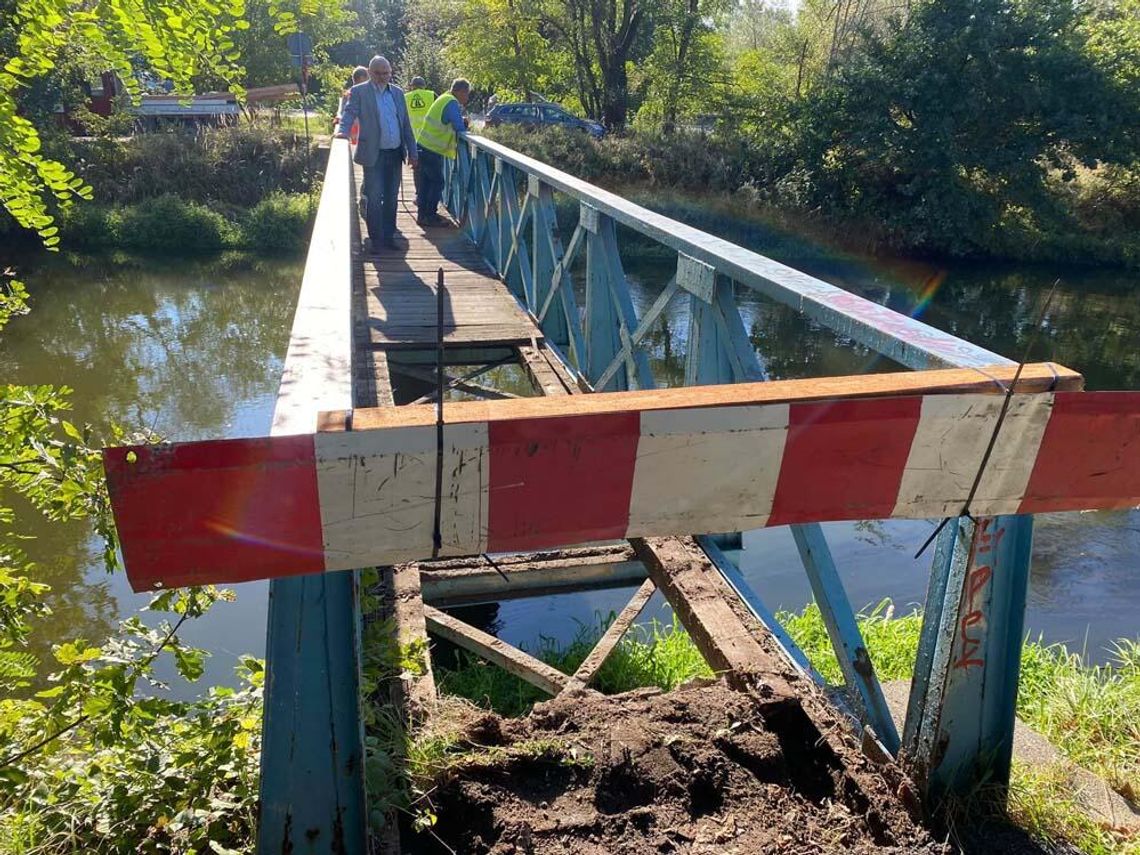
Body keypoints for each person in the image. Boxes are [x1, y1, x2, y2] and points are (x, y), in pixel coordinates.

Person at [334, 56, 418, 250]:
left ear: (390, 72)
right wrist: (342, 132)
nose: (383, 77)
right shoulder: (359, 92)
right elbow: (349, 113)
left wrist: (413, 152)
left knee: (391, 197)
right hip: (374, 154)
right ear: (370, 73)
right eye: (379, 73)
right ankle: (376, 240)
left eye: (386, 73)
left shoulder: (397, 93)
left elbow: (405, 124)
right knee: (374, 196)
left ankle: (389, 237)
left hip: (395, 153)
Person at [415, 78, 470, 227]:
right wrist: (464, 124)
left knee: (426, 183)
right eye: (467, 94)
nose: (467, 97)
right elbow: (459, 127)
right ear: (460, 91)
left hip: (423, 146)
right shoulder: (451, 102)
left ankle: (423, 215)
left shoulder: (444, 98)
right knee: (437, 183)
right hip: (431, 149)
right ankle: (430, 216)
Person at [334, 66, 369, 144]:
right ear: (362, 78)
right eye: (368, 77)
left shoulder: (347, 94)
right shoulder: (356, 95)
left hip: (352, 138)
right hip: (356, 138)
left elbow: (341, 113)